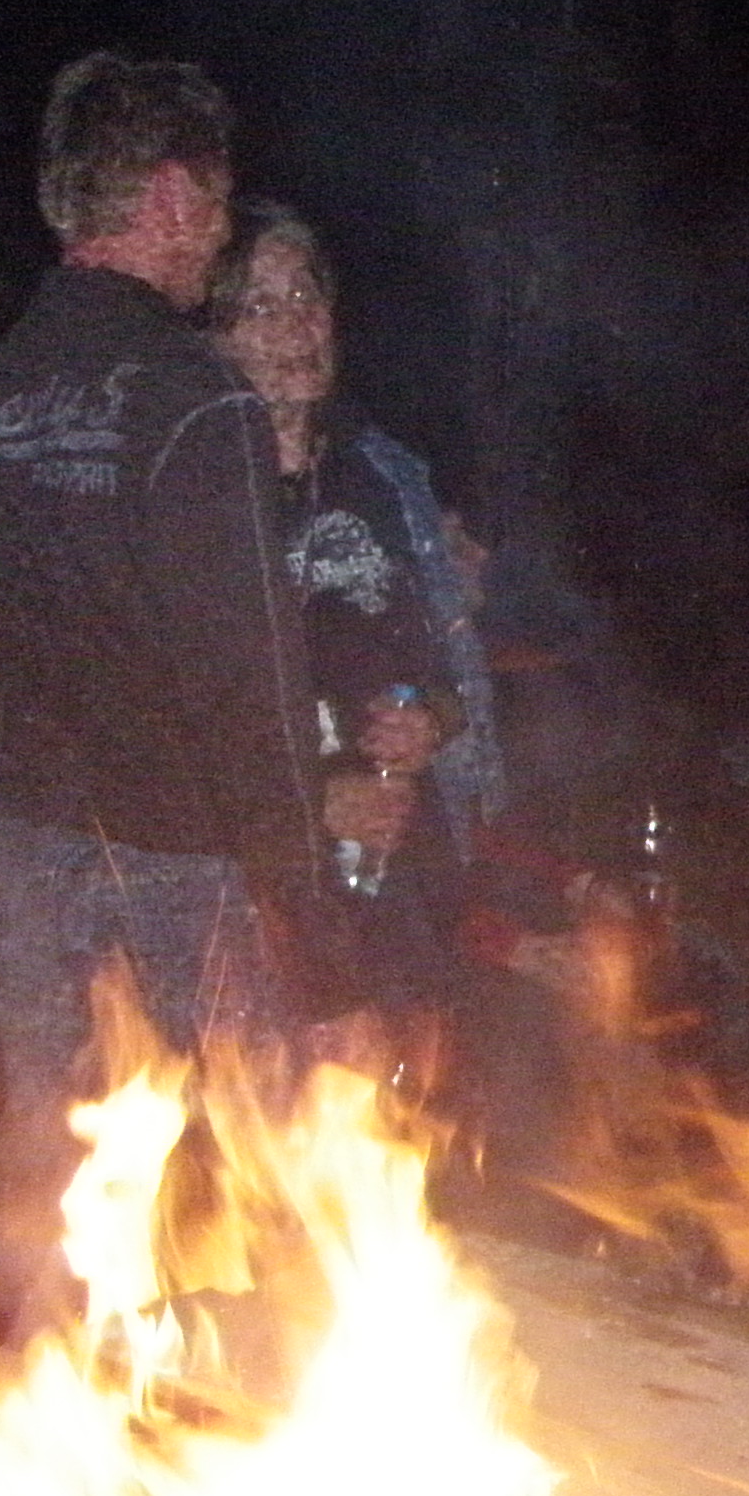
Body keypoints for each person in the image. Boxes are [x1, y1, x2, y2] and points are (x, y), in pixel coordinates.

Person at [0, 53, 344, 1326]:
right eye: (215, 203)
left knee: (55, 1203)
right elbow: (253, 682)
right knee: (250, 1201)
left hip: (24, 878)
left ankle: (54, 1423)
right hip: (188, 887)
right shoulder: (191, 399)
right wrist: (300, 906)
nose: (218, 232)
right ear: (169, 197)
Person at [199, 204, 471, 1022]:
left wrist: (431, 722)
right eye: (260, 305)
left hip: (400, 869)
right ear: (213, 338)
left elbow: (451, 677)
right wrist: (313, 806)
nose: (296, 325)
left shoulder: (384, 478)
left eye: (306, 296)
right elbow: (173, 715)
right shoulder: (194, 495)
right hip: (257, 893)